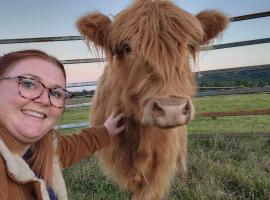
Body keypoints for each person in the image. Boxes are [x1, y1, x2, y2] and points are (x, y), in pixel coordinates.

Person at [0, 49, 125, 200]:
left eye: (55, 93)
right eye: (28, 84)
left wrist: (106, 130)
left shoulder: (44, 148)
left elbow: (71, 147)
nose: (45, 100)